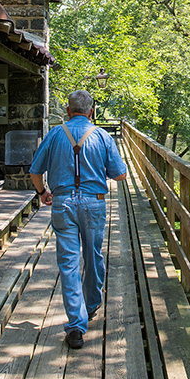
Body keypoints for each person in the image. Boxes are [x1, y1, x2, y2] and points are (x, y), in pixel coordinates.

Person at [29, 90, 127, 349]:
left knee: (68, 262)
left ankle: (75, 324)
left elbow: (35, 171)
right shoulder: (103, 136)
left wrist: (42, 193)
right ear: (91, 111)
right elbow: (121, 175)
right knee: (93, 256)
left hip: (62, 204)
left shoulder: (55, 134)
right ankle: (92, 305)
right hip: (93, 203)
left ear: (68, 110)